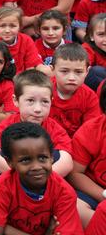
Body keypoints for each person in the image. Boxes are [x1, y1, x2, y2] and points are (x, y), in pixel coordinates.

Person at [0, 122, 83, 235]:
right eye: (25, 160)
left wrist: (5, 228)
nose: (36, 167)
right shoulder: (5, 184)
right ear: (9, 162)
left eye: (42, 158)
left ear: (51, 157)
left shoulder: (64, 193)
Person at [0, 69, 73, 177]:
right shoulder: (7, 125)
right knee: (3, 153)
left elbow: (67, 162)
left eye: (44, 101)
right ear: (16, 100)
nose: (38, 109)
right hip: (12, 177)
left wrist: (40, 177)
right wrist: (24, 176)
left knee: (56, 155)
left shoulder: (54, 128)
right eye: (30, 101)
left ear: (51, 101)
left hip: (44, 180)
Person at [68, 78, 106, 224]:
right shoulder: (91, 130)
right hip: (94, 191)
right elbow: (75, 173)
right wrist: (103, 194)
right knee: (75, 207)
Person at [49, 43, 100, 137]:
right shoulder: (43, 90)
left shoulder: (90, 97)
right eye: (64, 71)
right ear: (52, 70)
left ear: (87, 71)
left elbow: (91, 130)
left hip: (79, 143)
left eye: (78, 72)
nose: (71, 77)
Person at [0, 6, 50, 75]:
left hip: (22, 78)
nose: (7, 30)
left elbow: (31, 66)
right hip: (0, 78)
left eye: (12, 26)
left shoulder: (26, 40)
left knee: (46, 71)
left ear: (19, 27)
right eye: (2, 26)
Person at [82, 13, 106, 90]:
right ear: (91, 36)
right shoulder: (87, 49)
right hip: (96, 91)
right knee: (96, 71)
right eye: (101, 34)